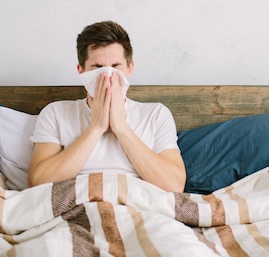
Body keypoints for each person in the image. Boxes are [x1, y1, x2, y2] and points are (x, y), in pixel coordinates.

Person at [28, 21, 186, 192]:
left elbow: (174, 185)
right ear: (81, 70)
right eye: (97, 67)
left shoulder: (156, 115)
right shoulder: (56, 113)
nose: (107, 74)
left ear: (129, 68)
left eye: (115, 66)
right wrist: (96, 127)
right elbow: (38, 183)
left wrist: (121, 128)